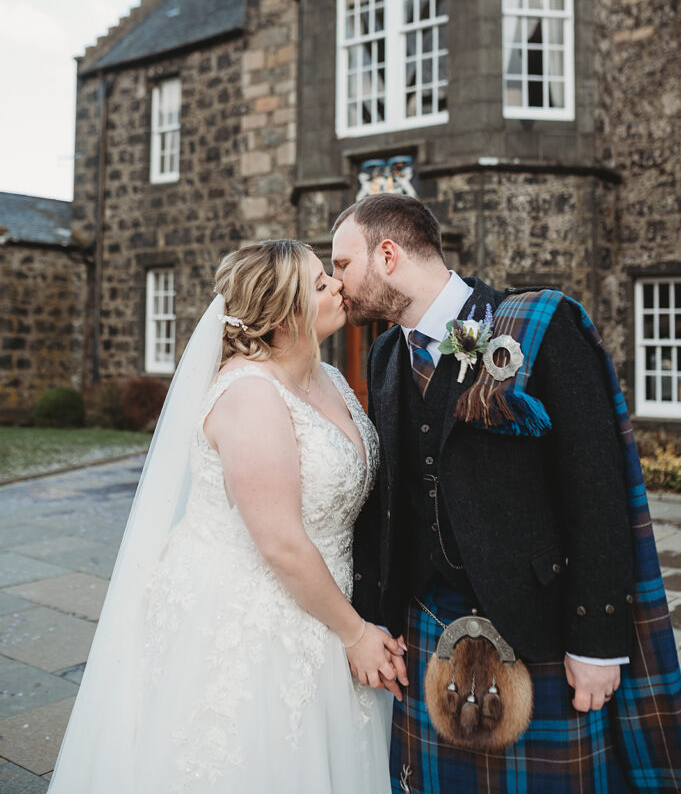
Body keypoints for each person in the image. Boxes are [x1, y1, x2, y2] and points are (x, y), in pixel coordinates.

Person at [331, 193, 681, 793]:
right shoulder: (388, 353)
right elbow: (392, 502)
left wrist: (598, 643)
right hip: (426, 630)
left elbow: (596, 490)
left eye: (341, 265)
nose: (338, 284)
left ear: (387, 254)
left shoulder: (542, 325)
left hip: (539, 632)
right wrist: (371, 621)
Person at [48, 239, 401, 793]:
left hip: (324, 598)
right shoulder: (250, 395)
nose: (337, 285)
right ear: (282, 317)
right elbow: (281, 540)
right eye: (318, 283)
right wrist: (354, 632)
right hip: (256, 611)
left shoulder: (328, 378)